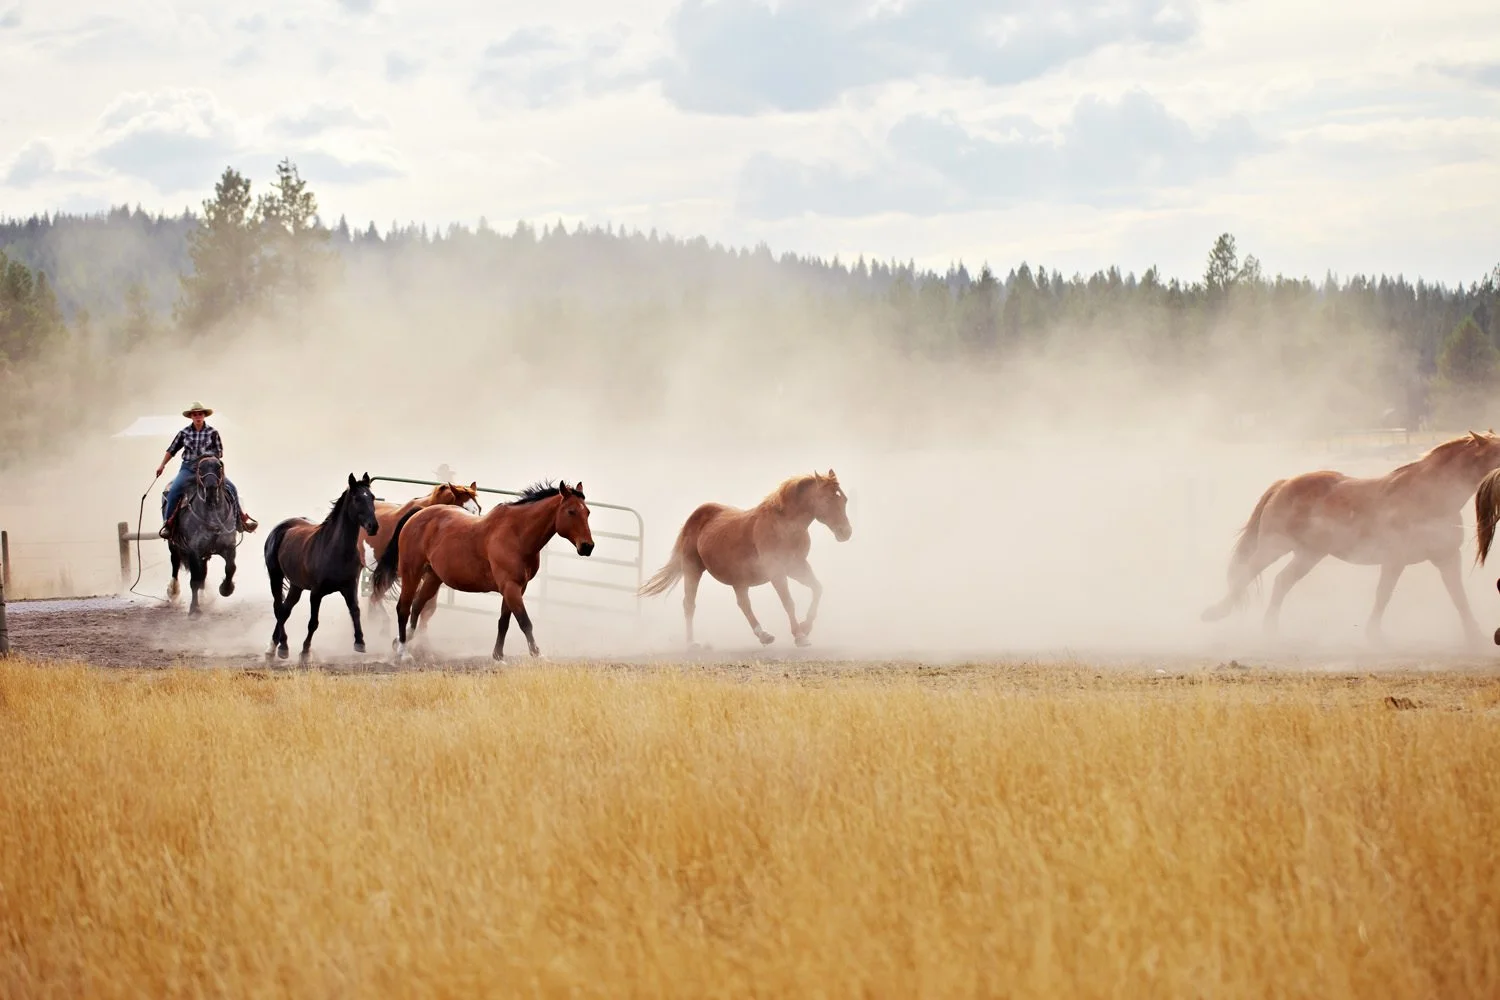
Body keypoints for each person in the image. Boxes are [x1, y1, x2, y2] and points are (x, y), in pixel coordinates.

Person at [157, 402, 258, 537]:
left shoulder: (212, 432)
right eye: (195, 414)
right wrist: (162, 465)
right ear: (191, 417)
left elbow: (219, 452)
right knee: (173, 491)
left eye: (200, 414)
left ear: (204, 416)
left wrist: (208, 459)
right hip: (189, 468)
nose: (198, 417)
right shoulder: (184, 433)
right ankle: (168, 525)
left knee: (232, 488)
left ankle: (242, 519)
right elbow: (172, 450)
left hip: (208, 468)